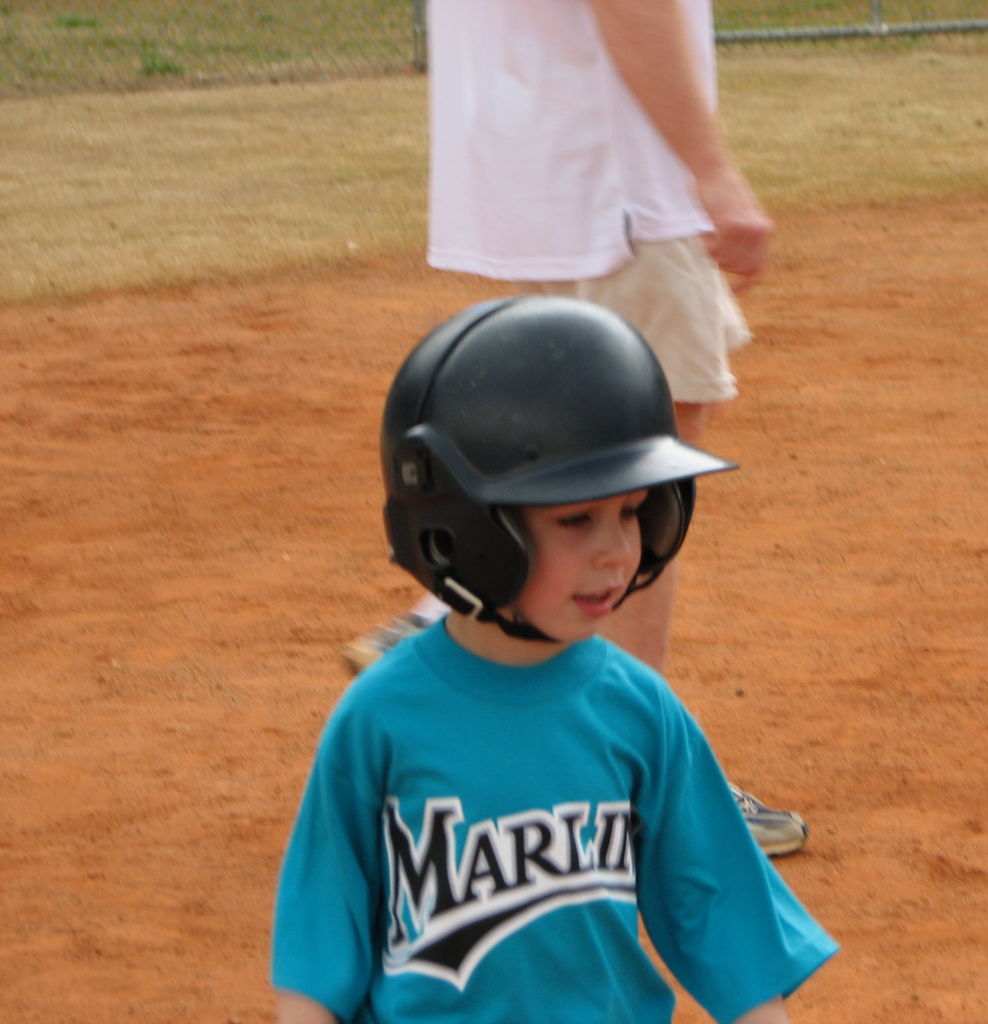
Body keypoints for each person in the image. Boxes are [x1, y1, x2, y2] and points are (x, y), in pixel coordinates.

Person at [275, 297, 837, 1024]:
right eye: (576, 519)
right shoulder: (381, 716)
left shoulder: (638, 708)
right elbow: (323, 935)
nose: (616, 550)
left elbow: (716, 913)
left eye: (633, 510)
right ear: (464, 531)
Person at [342, 0, 809, 855]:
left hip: (543, 157)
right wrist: (711, 168)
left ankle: (440, 634)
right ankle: (631, 783)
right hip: (620, 177)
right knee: (639, 478)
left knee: (576, 458)